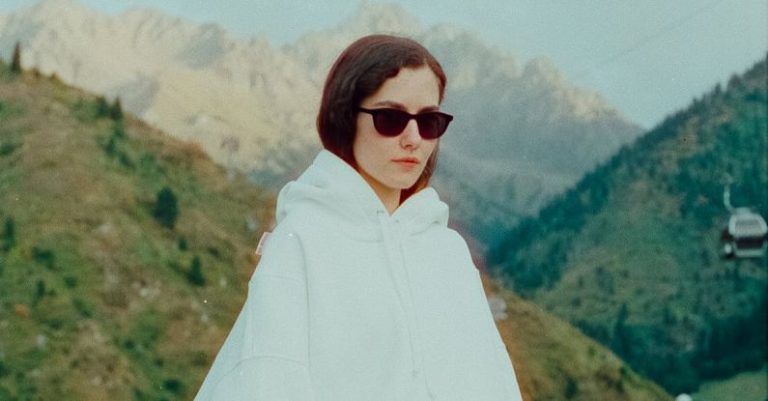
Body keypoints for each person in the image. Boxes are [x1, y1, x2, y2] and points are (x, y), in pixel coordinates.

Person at [193, 34, 523, 401]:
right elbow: (266, 381)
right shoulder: (302, 241)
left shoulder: (448, 253)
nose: (413, 138)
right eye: (390, 118)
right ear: (346, 117)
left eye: (429, 121)